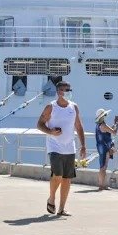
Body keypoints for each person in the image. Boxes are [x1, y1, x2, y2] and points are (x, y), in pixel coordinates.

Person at [36, 80, 86, 216]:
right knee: (57, 174)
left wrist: (83, 146)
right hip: (54, 146)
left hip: (70, 147)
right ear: (59, 92)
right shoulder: (50, 107)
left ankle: (61, 209)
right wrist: (50, 132)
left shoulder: (74, 107)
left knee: (67, 178)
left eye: (70, 89)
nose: (69, 92)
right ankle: (51, 198)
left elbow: (79, 127)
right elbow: (39, 124)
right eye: (66, 90)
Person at [94, 108, 118, 190]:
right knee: (103, 167)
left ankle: (101, 184)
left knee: (102, 166)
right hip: (105, 147)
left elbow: (109, 130)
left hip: (100, 147)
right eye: (104, 115)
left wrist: (114, 124)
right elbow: (114, 132)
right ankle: (101, 185)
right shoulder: (103, 125)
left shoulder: (99, 125)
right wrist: (117, 124)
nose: (105, 116)